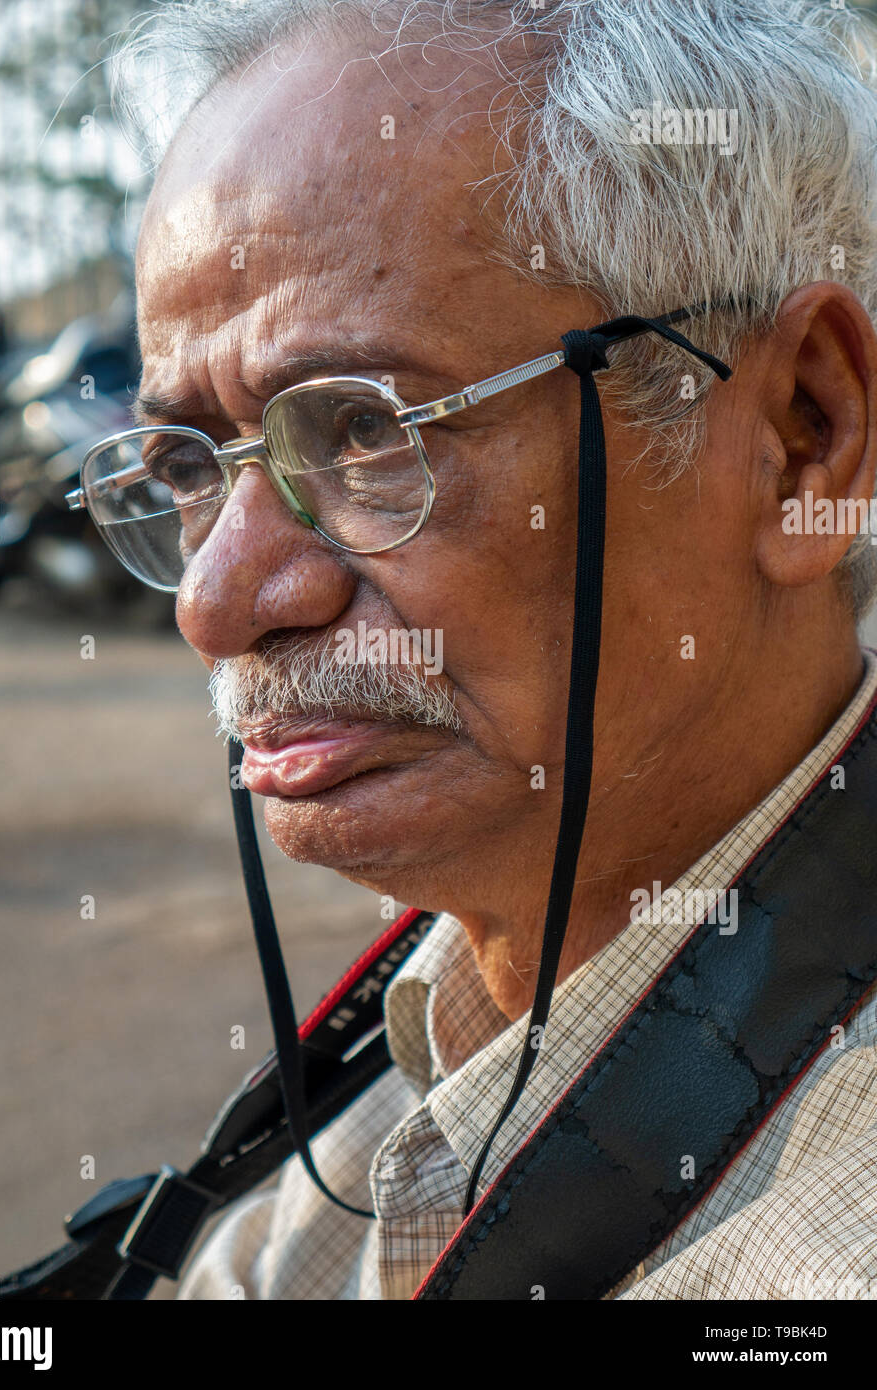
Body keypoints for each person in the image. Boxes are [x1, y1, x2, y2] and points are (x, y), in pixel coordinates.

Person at [80, 0, 877, 1298]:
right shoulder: (440, 1015)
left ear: (799, 438)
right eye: (184, 463)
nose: (218, 599)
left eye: (366, 434)